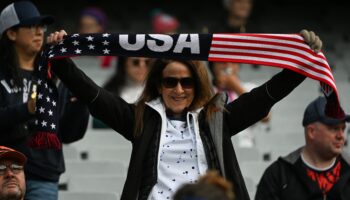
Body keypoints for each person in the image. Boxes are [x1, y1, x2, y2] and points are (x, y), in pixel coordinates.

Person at [46, 29, 322, 200]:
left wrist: (301, 61)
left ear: (198, 84)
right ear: (159, 85)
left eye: (187, 82)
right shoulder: (141, 118)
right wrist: (60, 57)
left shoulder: (217, 118)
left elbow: (266, 96)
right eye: (170, 82)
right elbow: (93, 95)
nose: (178, 89)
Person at [0, 2, 89, 200]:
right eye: (31, 26)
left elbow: (69, 135)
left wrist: (80, 105)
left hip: (44, 175)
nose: (39, 32)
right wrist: (27, 109)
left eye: (42, 26)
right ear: (11, 33)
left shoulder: (56, 74)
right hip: (4, 172)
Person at [255, 97, 350, 200]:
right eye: (334, 128)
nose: (341, 136)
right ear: (311, 132)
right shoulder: (278, 175)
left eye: (343, 129)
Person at [208, 61, 271, 147]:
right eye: (222, 62)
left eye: (233, 62)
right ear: (212, 67)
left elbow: (266, 117)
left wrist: (236, 86)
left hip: (245, 147)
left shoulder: (250, 88)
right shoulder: (206, 92)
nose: (228, 65)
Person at [93, 56, 150, 128]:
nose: (142, 66)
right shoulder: (108, 93)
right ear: (124, 64)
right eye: (135, 62)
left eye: (147, 63)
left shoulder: (161, 93)